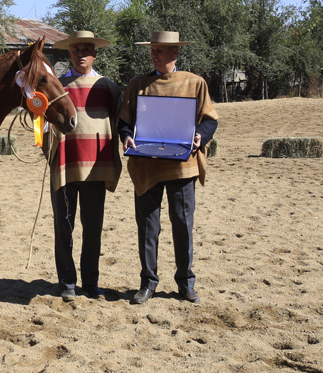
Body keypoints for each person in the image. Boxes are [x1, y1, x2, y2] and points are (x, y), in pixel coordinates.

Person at [118, 31, 218, 304]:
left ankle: (186, 282)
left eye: (160, 50)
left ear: (175, 53)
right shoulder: (138, 84)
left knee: (183, 225)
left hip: (182, 167)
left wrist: (201, 136)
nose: (154, 53)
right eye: (153, 49)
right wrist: (126, 136)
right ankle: (148, 282)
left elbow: (209, 119)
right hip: (147, 167)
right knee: (148, 228)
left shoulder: (195, 83)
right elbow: (125, 121)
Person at [45, 31, 122, 301]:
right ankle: (67, 283)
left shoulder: (107, 87)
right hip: (65, 167)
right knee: (63, 226)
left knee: (92, 228)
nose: (81, 54)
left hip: (96, 168)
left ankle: (91, 283)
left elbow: (121, 123)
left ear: (95, 54)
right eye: (76, 50)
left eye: (86, 50)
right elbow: (44, 125)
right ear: (70, 54)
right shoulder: (55, 86)